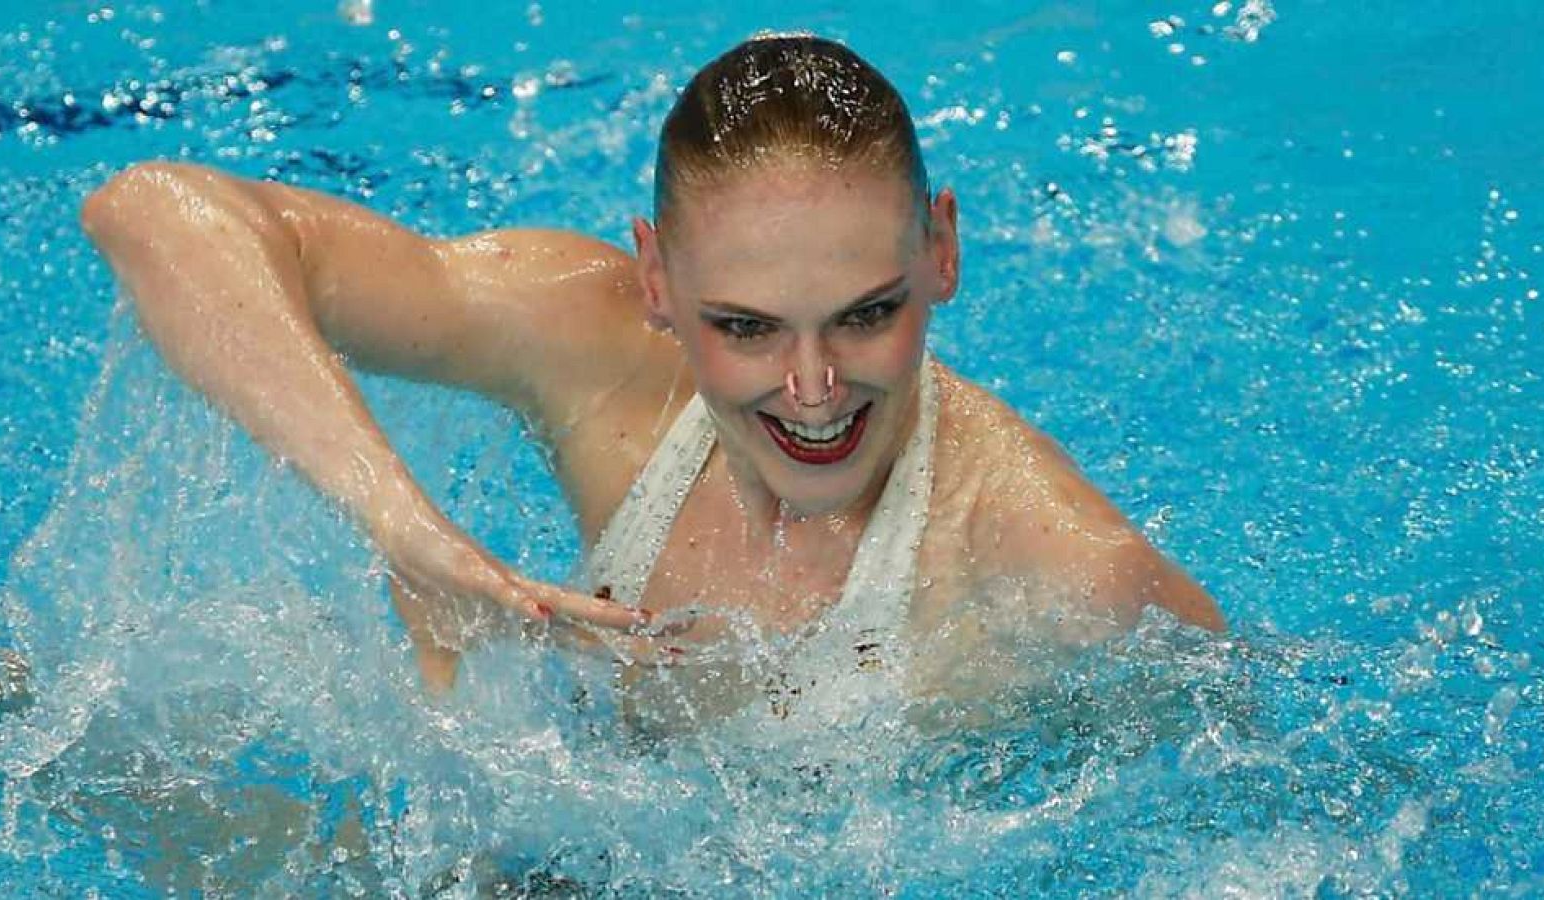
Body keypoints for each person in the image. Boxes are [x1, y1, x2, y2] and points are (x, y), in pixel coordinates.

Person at [79, 33, 1223, 729]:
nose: (814, 389)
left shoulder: (1067, 579)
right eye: (745, 327)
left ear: (943, 253)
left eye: (868, 315)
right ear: (656, 279)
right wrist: (414, 532)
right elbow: (153, 213)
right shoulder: (603, 354)